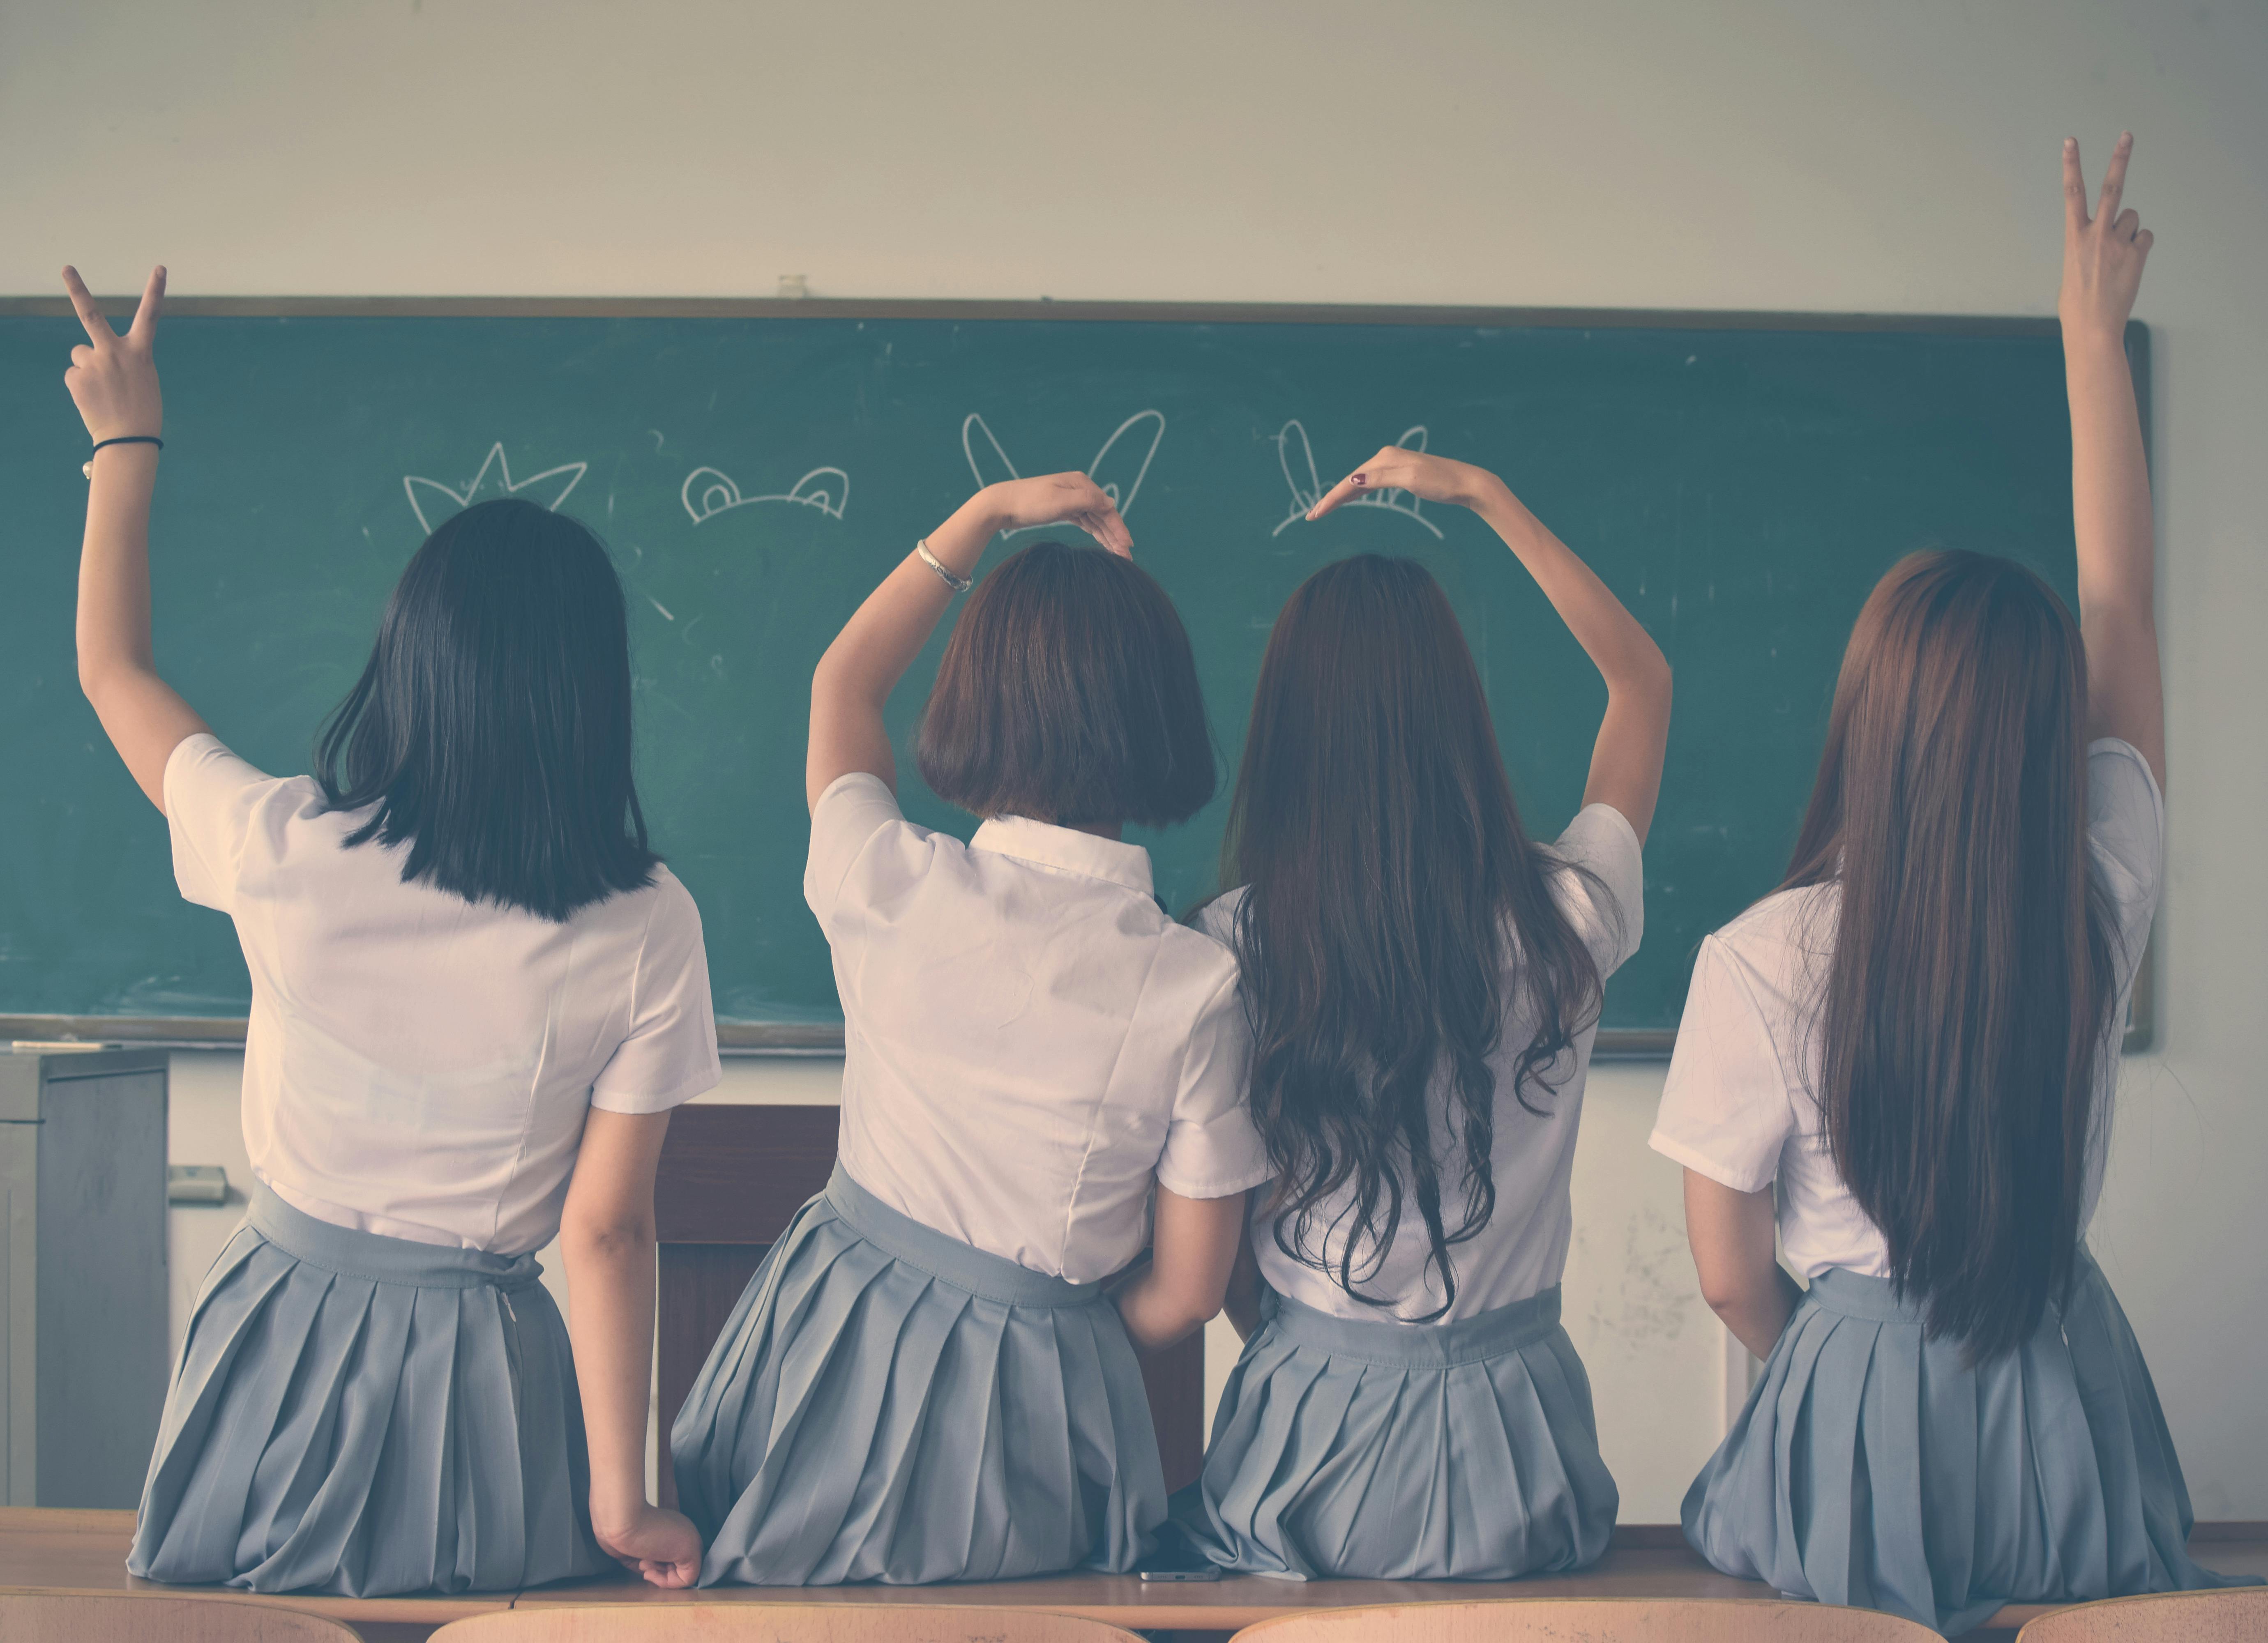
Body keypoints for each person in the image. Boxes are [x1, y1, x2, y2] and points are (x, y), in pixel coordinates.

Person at [1651, 136, 2261, 1635]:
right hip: (2066, 1379)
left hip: (1849, 1387)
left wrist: (1849, 1362)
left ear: (1867, 721)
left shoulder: (1758, 956)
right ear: (2054, 734)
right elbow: (2117, 605)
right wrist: (2090, 345)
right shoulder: (2101, 889)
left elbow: (1732, 1282)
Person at [61, 265, 717, 1596]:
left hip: (275, 1342)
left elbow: (113, 672)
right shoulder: (647, 921)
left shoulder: (288, 847)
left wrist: (125, 445)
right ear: (595, 700)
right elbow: (606, 1234)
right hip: (491, 1373)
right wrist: (622, 1502)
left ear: (409, 661)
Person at [672, 479, 1271, 1585]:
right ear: (1164, 714)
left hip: (821, 1371)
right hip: (1038, 1422)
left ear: (972, 700)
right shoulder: (1196, 984)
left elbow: (843, 682)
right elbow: (1188, 1295)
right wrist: (1046, 1332)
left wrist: (982, 518)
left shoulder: (884, 876)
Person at [1182, 451, 1671, 1579]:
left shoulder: (1228, 951)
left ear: (1288, 736)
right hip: (1524, 1437)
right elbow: (1642, 683)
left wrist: (1320, 1350)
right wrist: (1496, 498)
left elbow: (1224, 1241)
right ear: (1463, 718)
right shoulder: (1568, 915)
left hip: (1305, 1436)